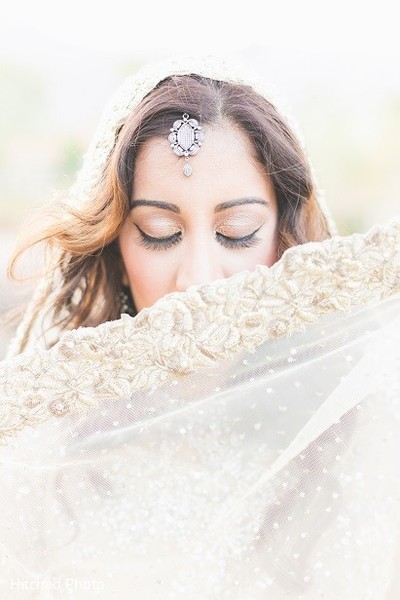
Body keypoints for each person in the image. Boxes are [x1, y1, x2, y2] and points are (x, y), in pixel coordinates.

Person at [1, 55, 400, 600]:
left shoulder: (362, 431)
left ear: (286, 241)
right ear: (115, 243)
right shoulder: (38, 451)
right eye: (159, 231)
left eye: (237, 232)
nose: (198, 280)